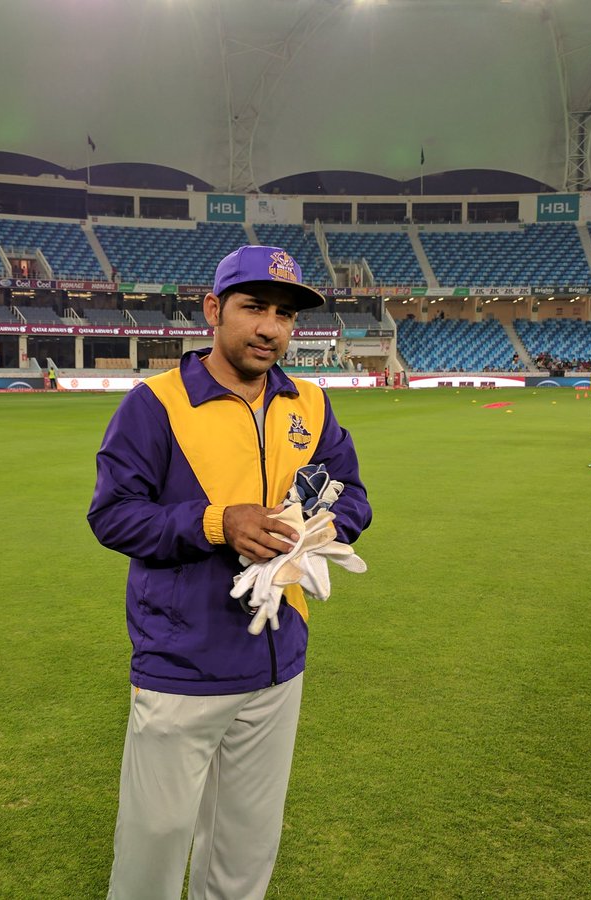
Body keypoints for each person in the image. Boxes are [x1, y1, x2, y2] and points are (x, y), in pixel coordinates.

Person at [88, 245, 372, 900]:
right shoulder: (153, 405)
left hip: (279, 659)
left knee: (246, 846)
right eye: (253, 308)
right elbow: (114, 517)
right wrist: (219, 523)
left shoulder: (310, 403)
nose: (270, 327)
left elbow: (350, 493)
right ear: (214, 310)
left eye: (285, 314)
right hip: (181, 662)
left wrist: (316, 532)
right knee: (152, 846)